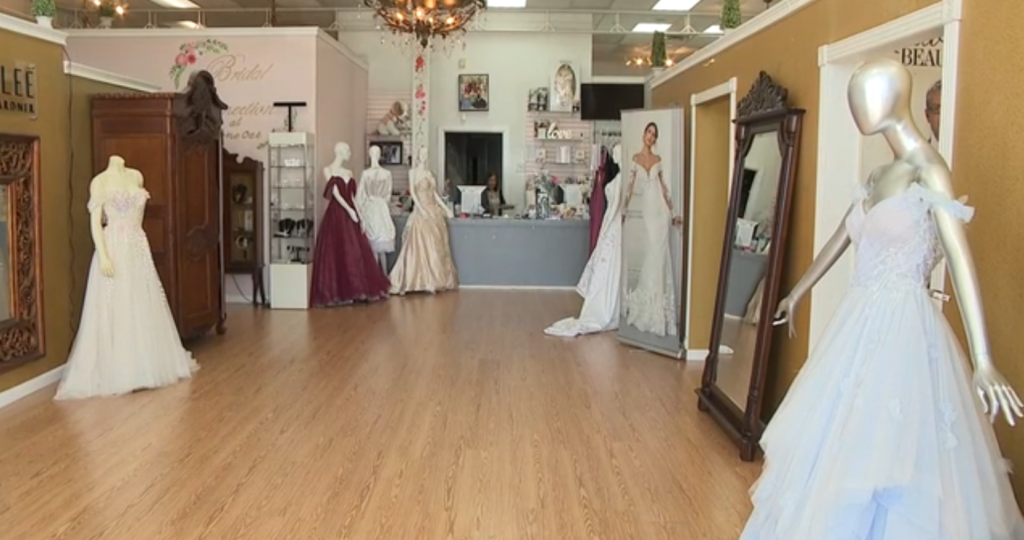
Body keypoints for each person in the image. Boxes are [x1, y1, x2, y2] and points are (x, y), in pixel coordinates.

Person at [741, 59, 1024, 539]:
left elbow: (960, 258)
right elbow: (841, 239)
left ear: (893, 97)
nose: (856, 108)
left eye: (864, 96)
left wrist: (983, 360)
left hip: (905, 329)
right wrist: (797, 291)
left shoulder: (928, 169)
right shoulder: (877, 176)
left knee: (894, 456)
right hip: (857, 324)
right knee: (841, 446)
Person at [55, 156, 198, 400]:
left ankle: (145, 366)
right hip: (114, 247)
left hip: (137, 246)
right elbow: (95, 223)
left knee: (141, 303)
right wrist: (103, 256)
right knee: (117, 305)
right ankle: (119, 370)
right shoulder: (100, 182)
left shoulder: (136, 176)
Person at [545, 144, 623, 337]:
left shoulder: (620, 180)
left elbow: (616, 208)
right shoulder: (617, 177)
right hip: (610, 222)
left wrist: (605, 228)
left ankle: (606, 307)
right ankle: (605, 305)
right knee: (606, 267)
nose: (615, 157)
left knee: (608, 267)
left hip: (612, 224)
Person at [621, 122, 682, 337]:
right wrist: (623, 210)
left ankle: (660, 311)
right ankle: (647, 305)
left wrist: (673, 213)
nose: (651, 137)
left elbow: (664, 189)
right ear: (643, 134)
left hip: (661, 212)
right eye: (649, 132)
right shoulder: (636, 159)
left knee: (660, 256)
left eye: (654, 135)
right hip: (647, 209)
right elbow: (629, 187)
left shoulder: (658, 160)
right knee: (652, 254)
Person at [389, 148, 458, 295]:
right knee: (419, 245)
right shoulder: (413, 172)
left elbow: (434, 194)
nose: (424, 156)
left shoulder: (429, 173)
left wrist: (446, 209)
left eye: (426, 154)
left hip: (433, 210)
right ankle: (416, 280)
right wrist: (421, 209)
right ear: (418, 156)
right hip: (422, 211)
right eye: (422, 154)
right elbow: (413, 193)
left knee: (434, 246)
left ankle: (433, 280)